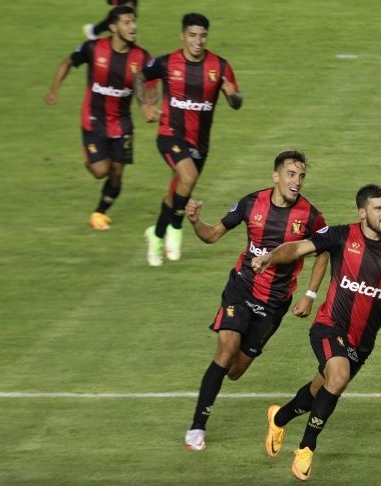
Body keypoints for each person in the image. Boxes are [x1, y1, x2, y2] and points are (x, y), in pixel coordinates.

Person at [251, 184, 381, 482]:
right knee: (338, 378)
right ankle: (306, 447)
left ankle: (279, 417)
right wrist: (269, 258)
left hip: (362, 342)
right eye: (379, 208)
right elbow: (297, 248)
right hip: (328, 326)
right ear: (362, 213)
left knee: (318, 390)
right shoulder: (340, 235)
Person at [182, 150, 329, 452]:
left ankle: (205, 411)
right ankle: (197, 427)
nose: (296, 181)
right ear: (275, 176)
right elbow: (211, 236)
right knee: (225, 352)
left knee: (234, 371)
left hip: (275, 304)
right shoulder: (251, 204)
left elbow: (324, 251)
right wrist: (196, 221)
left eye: (301, 176)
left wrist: (310, 295)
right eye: (291, 174)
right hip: (242, 289)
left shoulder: (310, 216)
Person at [134, 12, 243, 266]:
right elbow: (140, 77)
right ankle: (175, 227)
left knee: (177, 191)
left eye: (203, 35)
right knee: (188, 177)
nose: (198, 41)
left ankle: (156, 235)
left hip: (200, 145)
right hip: (169, 134)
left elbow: (237, 102)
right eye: (192, 35)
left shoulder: (220, 66)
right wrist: (144, 106)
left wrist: (231, 95)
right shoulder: (167, 63)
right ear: (182, 36)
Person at [45, 5, 156, 230]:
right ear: (113, 27)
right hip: (93, 120)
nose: (133, 26)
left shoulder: (142, 57)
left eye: (134, 21)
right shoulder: (93, 48)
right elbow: (67, 62)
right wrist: (54, 89)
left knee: (117, 172)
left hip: (122, 122)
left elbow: (150, 86)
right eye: (127, 22)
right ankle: (90, 158)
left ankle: (99, 213)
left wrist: (148, 105)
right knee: (100, 171)